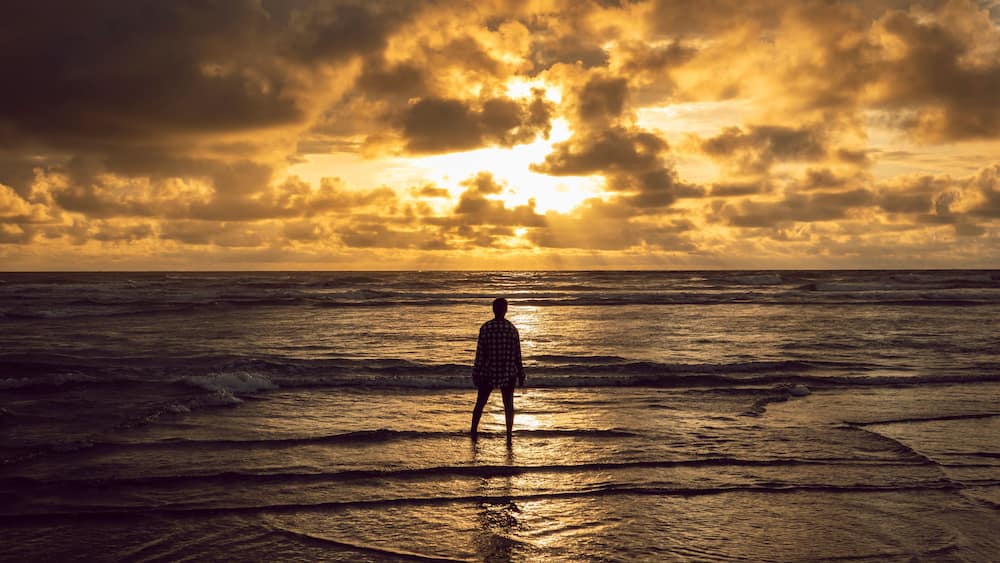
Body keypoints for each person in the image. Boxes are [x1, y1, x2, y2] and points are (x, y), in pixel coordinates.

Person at [470, 297, 525, 444]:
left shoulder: (485, 328)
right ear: (505, 310)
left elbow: (480, 355)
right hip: (508, 372)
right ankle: (508, 436)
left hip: (488, 373)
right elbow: (517, 355)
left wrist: (476, 373)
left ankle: (473, 431)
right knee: (508, 405)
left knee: (480, 404)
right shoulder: (512, 329)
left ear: (493, 309)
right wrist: (521, 373)